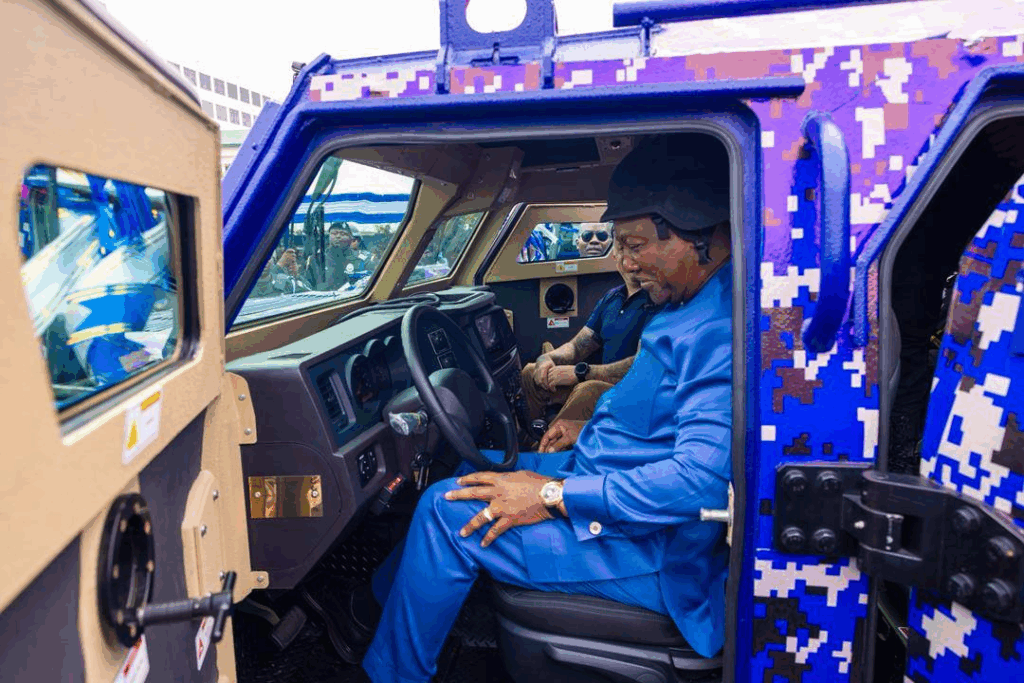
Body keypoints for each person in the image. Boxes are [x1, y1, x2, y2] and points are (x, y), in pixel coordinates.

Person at [330, 134, 732, 683]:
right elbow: (667, 422)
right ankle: (373, 613)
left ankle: (394, 673)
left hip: (650, 552)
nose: (624, 263)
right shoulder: (694, 307)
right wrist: (586, 426)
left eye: (635, 245)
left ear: (702, 235)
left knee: (447, 514)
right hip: (610, 478)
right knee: (478, 469)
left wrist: (548, 495)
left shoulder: (717, 329)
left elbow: (700, 485)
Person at [520, 236, 660, 427]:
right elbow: (578, 347)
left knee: (588, 390)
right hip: (599, 382)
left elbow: (641, 364)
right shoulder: (612, 298)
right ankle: (529, 440)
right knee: (530, 372)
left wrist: (581, 373)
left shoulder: (658, 299)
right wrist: (548, 358)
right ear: (614, 255)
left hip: (632, 391)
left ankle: (546, 449)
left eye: (635, 249)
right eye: (621, 249)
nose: (628, 259)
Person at [323, 222, 358, 290]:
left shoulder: (361, 260)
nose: (338, 236)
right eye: (334, 233)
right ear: (329, 236)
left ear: (350, 238)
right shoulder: (318, 259)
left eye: (343, 234)